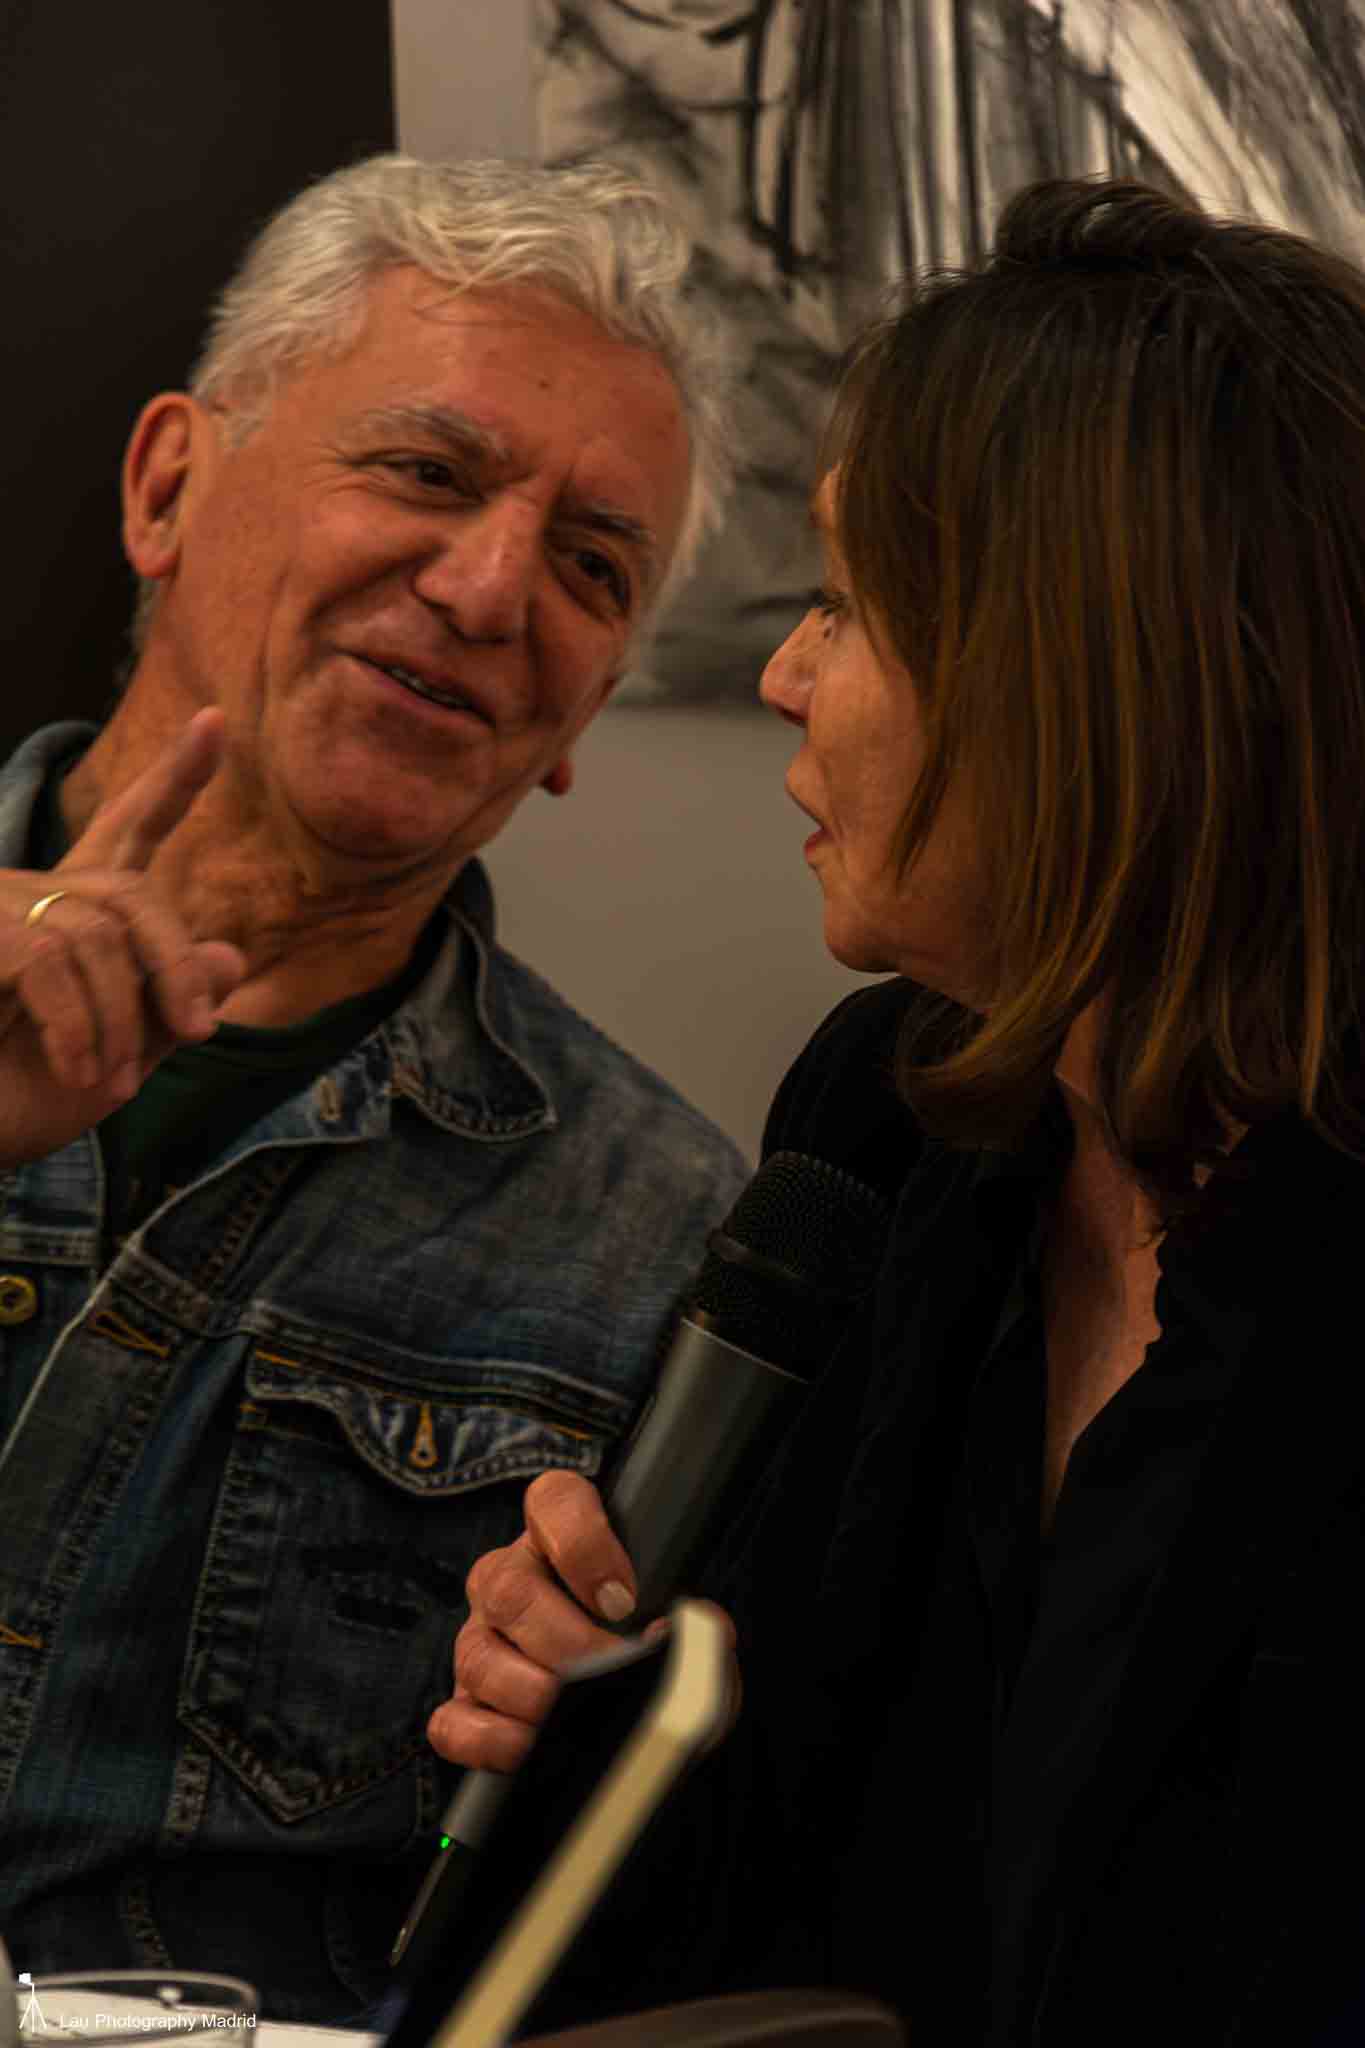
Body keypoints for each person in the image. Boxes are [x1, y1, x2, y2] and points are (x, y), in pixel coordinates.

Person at [432, 177, 1365, 2047]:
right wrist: (614, 1712)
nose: (785, 677)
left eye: (847, 606)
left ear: (1085, 685)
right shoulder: (888, 1126)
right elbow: (768, 1927)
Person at [0, 153, 750, 2021]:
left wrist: (600, 1734)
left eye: (591, 568)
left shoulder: (667, 1241)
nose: (491, 589)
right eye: (423, 470)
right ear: (168, 487)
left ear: (588, 711)